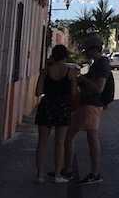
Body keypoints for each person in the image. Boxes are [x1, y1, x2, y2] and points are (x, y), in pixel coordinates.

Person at [64, 37, 113, 184]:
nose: (85, 53)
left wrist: (81, 78)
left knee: (87, 137)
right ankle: (72, 170)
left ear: (93, 49)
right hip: (88, 104)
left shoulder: (102, 64)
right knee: (77, 136)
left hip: (92, 105)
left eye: (87, 50)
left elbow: (99, 88)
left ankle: (91, 173)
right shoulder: (97, 64)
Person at [34, 45, 74, 183]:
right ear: (65, 56)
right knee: (60, 143)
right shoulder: (70, 72)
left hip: (46, 106)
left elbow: (38, 92)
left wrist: (44, 73)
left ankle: (40, 175)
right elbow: (73, 93)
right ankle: (57, 175)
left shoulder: (46, 71)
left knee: (42, 143)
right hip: (62, 107)